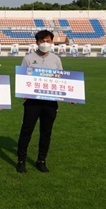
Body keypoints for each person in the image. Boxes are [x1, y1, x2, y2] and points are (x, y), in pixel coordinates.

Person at [16, 30, 63, 174]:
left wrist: (71, 96)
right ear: (37, 42)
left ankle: (41, 160)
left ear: (52, 42)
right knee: (26, 131)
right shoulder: (29, 58)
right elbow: (21, 79)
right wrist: (24, 91)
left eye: (48, 41)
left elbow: (62, 80)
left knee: (46, 132)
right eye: (42, 41)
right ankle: (21, 161)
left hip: (50, 102)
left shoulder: (56, 59)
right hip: (32, 102)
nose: (45, 44)